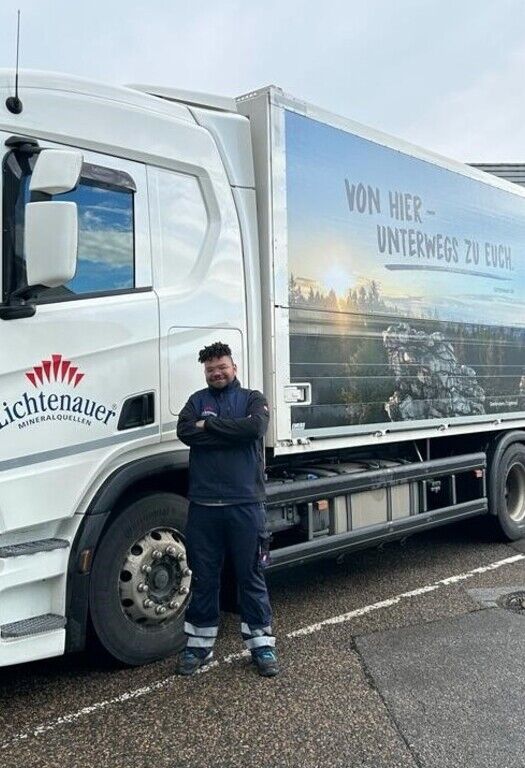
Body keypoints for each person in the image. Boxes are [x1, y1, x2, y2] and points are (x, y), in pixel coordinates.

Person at [176, 341, 278, 677]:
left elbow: (254, 428)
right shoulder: (196, 401)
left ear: (234, 367)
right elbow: (185, 431)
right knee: (204, 578)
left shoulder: (252, 399)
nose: (217, 373)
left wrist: (209, 426)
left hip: (245, 504)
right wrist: (231, 431)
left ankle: (262, 645)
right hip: (204, 506)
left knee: (250, 575)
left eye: (222, 367)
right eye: (210, 369)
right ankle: (198, 647)